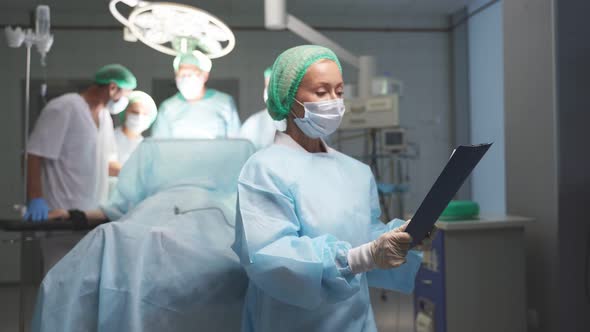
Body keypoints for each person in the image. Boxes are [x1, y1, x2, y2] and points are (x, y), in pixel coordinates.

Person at [232, 45, 424, 332]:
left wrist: (401, 237)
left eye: (339, 91)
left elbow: (366, 234)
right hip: (291, 323)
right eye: (321, 92)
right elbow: (270, 257)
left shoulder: (355, 171)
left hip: (356, 320)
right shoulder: (264, 169)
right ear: (288, 98)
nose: (334, 101)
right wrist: (362, 257)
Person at [25, 63, 136, 221]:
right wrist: (36, 197)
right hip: (61, 214)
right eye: (126, 95)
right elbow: (35, 155)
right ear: (112, 88)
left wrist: (137, 174)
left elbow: (107, 165)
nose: (125, 101)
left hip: (90, 215)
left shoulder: (105, 118)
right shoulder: (64, 107)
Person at [151, 52, 241, 138]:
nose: (186, 78)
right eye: (181, 74)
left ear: (205, 75)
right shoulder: (167, 107)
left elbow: (236, 142)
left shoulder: (224, 102)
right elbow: (159, 145)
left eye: (191, 74)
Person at [240, 67, 287, 150]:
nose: (271, 92)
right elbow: (240, 154)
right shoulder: (252, 124)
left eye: (275, 88)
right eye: (268, 87)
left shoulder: (300, 123)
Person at [114, 90, 158, 165]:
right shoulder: (110, 138)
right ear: (124, 113)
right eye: (135, 112)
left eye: (145, 114)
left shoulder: (146, 147)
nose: (139, 117)